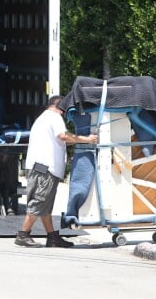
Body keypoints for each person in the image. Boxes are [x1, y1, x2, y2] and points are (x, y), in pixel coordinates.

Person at [15, 95, 98, 247]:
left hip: (40, 167)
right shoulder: (54, 117)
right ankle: (23, 234)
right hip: (45, 168)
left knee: (45, 205)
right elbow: (63, 136)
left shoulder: (43, 118)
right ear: (61, 107)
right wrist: (87, 139)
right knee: (40, 201)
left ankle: (52, 237)